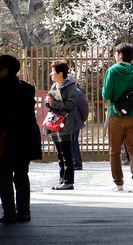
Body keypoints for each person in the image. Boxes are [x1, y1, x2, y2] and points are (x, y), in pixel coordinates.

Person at [0, 55, 42, 224]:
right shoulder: (28, 89)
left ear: (5, 70)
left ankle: (9, 213)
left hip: (7, 137)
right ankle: (24, 212)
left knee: (5, 176)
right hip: (25, 137)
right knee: (22, 175)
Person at [102, 42, 133, 192]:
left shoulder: (112, 71)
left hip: (115, 116)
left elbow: (107, 94)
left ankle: (119, 183)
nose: (115, 56)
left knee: (115, 151)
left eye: (115, 53)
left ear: (120, 55)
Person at [43, 59, 79, 190]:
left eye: (53, 71)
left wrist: (55, 104)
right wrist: (48, 102)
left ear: (60, 73)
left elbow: (71, 104)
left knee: (66, 154)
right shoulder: (54, 86)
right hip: (55, 123)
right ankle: (62, 180)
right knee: (59, 154)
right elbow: (51, 105)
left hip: (66, 123)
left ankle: (68, 181)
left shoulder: (70, 86)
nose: (51, 74)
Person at [71, 84, 89, 170]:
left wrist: (83, 119)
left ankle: (77, 163)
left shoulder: (77, 92)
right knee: (72, 142)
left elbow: (84, 108)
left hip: (74, 121)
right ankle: (75, 162)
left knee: (73, 142)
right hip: (73, 121)